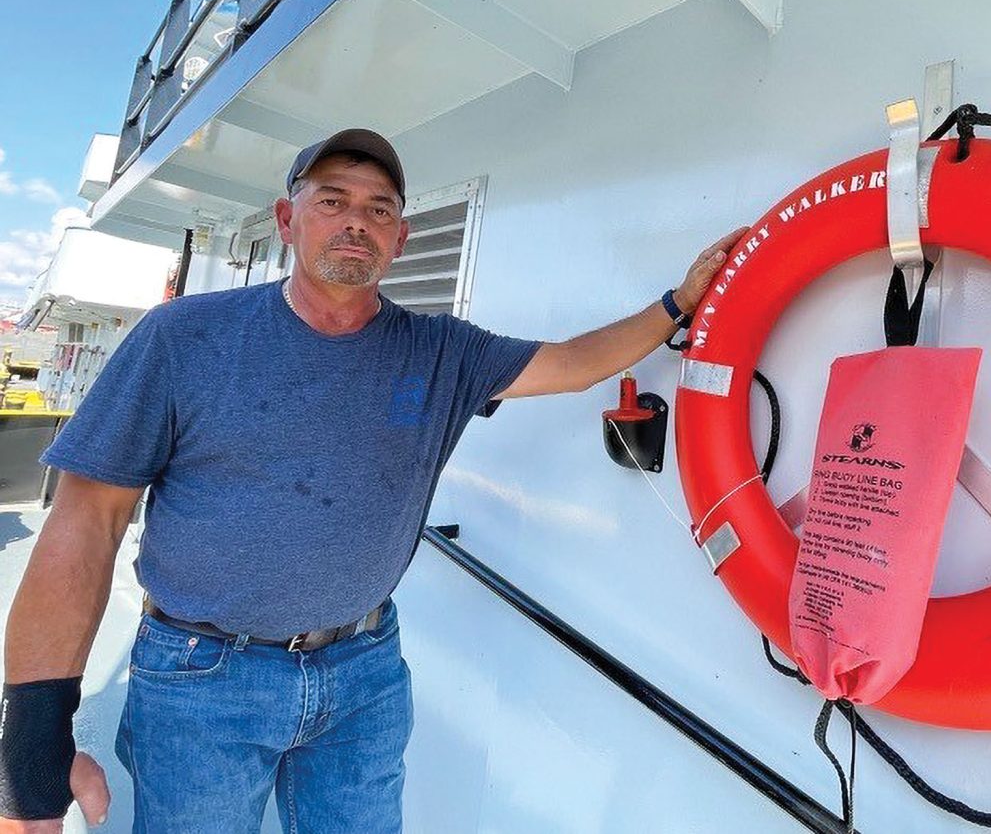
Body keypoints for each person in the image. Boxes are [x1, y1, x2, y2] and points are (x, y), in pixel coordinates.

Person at [0, 128, 746, 833]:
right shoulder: (182, 338)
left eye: (379, 208)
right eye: (333, 200)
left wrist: (679, 301)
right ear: (287, 219)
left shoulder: (442, 351)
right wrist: (32, 741)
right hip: (202, 679)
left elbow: (575, 360)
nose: (356, 221)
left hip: (364, 674)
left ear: (399, 238)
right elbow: (84, 525)